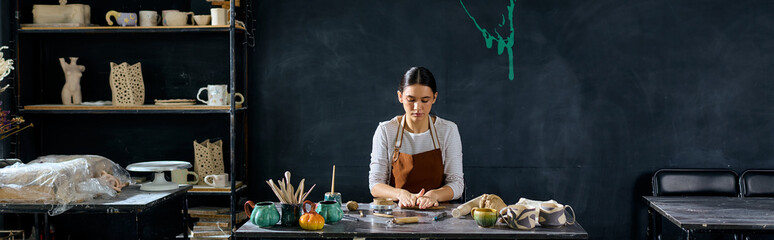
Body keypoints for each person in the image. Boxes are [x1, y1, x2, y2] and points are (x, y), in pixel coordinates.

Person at [369, 66, 464, 209]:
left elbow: (456, 183)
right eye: (411, 99)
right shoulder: (386, 131)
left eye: (425, 100)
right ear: (400, 97)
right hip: (395, 216)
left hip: (438, 216)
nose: (417, 107)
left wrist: (434, 195)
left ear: (434, 98)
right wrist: (400, 194)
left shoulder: (448, 130)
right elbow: (375, 185)